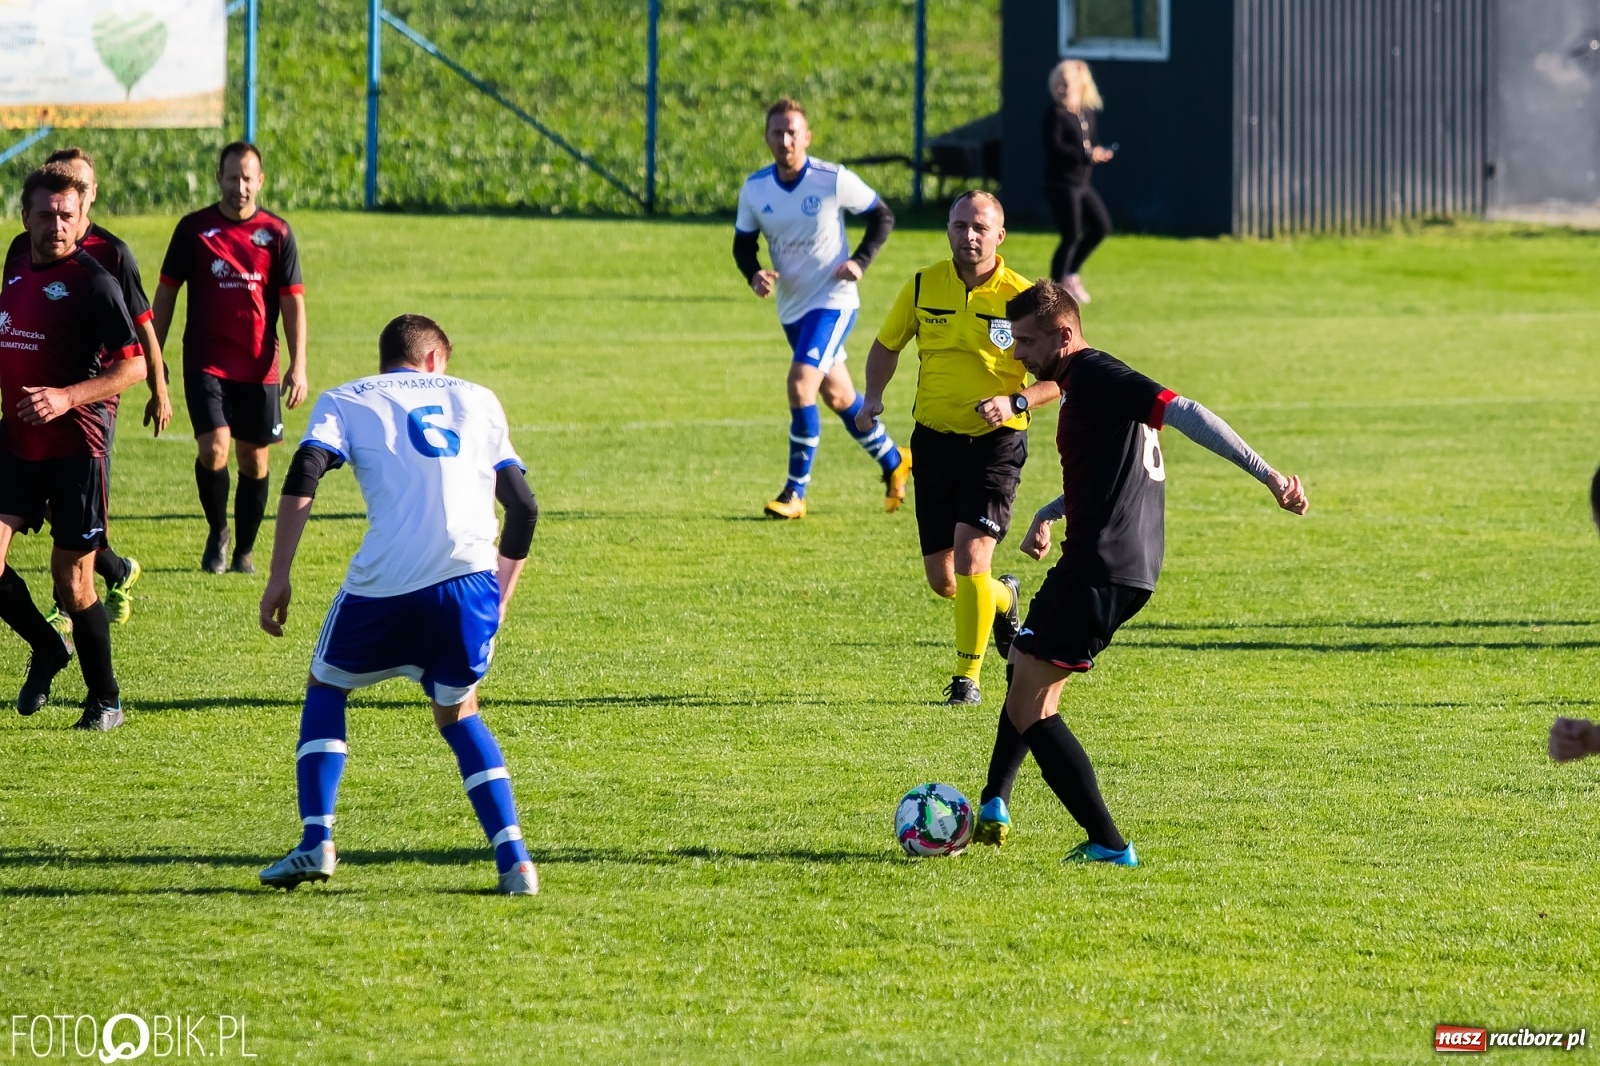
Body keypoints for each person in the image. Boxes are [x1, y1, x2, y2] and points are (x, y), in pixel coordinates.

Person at [969, 279, 1307, 863]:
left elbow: (1187, 411)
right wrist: (1049, 515)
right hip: (1109, 559)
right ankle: (995, 801)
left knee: (1032, 704)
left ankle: (1108, 843)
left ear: (1063, 335)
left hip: (1103, 565)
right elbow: (1109, 477)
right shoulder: (1081, 384)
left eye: (1024, 342)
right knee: (1024, 661)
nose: (1017, 355)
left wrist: (1270, 476)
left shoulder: (1098, 374)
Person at [257, 314, 540, 895]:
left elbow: (307, 467)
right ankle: (515, 862)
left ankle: (317, 841)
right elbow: (524, 507)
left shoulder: (346, 398)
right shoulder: (479, 398)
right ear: (436, 359)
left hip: (385, 583)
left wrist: (279, 574)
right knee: (460, 713)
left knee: (326, 686)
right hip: (469, 581)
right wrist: (500, 596)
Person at [858, 190, 1058, 705]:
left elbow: (1061, 375)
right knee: (945, 581)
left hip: (996, 446)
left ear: (999, 236)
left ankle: (967, 679)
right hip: (934, 444)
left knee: (972, 560)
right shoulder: (923, 285)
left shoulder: (1025, 299)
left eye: (978, 228)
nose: (967, 236)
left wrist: (1016, 401)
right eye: (959, 226)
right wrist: (873, 398)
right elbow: (886, 345)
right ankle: (1004, 596)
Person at [0, 164, 149, 730]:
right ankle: (47, 645)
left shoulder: (95, 281)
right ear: (26, 217)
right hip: (14, 440)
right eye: (46, 215)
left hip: (74, 449)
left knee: (73, 581)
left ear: (82, 217)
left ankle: (106, 699)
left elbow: (131, 364)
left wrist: (66, 396)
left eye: (68, 215)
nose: (57, 225)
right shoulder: (16, 260)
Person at [5, 147, 173, 629]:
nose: (60, 218)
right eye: (50, 208)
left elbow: (141, 329)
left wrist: (159, 386)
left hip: (92, 397)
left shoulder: (110, 257)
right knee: (58, 508)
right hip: (29, 404)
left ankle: (74, 597)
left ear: (88, 200)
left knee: (70, 510)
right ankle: (113, 569)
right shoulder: (22, 251)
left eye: (73, 201)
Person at [733, 98, 909, 519]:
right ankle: (894, 461)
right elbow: (743, 244)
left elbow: (882, 215)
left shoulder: (832, 179)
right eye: (777, 132)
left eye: (793, 131)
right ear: (767, 138)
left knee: (800, 385)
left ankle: (795, 493)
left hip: (833, 302)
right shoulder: (756, 188)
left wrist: (859, 261)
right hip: (792, 308)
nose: (785, 139)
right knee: (840, 395)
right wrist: (754, 274)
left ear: (807, 137)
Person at [152, 141, 307, 575]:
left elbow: (293, 302)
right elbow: (166, 293)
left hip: (259, 364)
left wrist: (300, 363)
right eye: (232, 176)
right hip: (206, 361)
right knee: (215, 447)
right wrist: (154, 354)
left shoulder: (277, 233)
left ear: (260, 181)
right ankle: (218, 532)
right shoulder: (193, 230)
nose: (239, 186)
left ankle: (244, 551)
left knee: (254, 459)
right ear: (218, 177)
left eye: (247, 178)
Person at [1042, 59, 1114, 305]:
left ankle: (1070, 273)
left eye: (1066, 83)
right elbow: (1056, 149)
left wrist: (1098, 153)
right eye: (1057, 83)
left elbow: (1089, 142)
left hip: (1082, 183)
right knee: (1071, 234)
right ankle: (1053, 290)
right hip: (1061, 184)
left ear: (1080, 85)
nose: (1061, 88)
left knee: (1101, 226)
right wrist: (1085, 155)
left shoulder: (1085, 113)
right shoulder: (1054, 116)